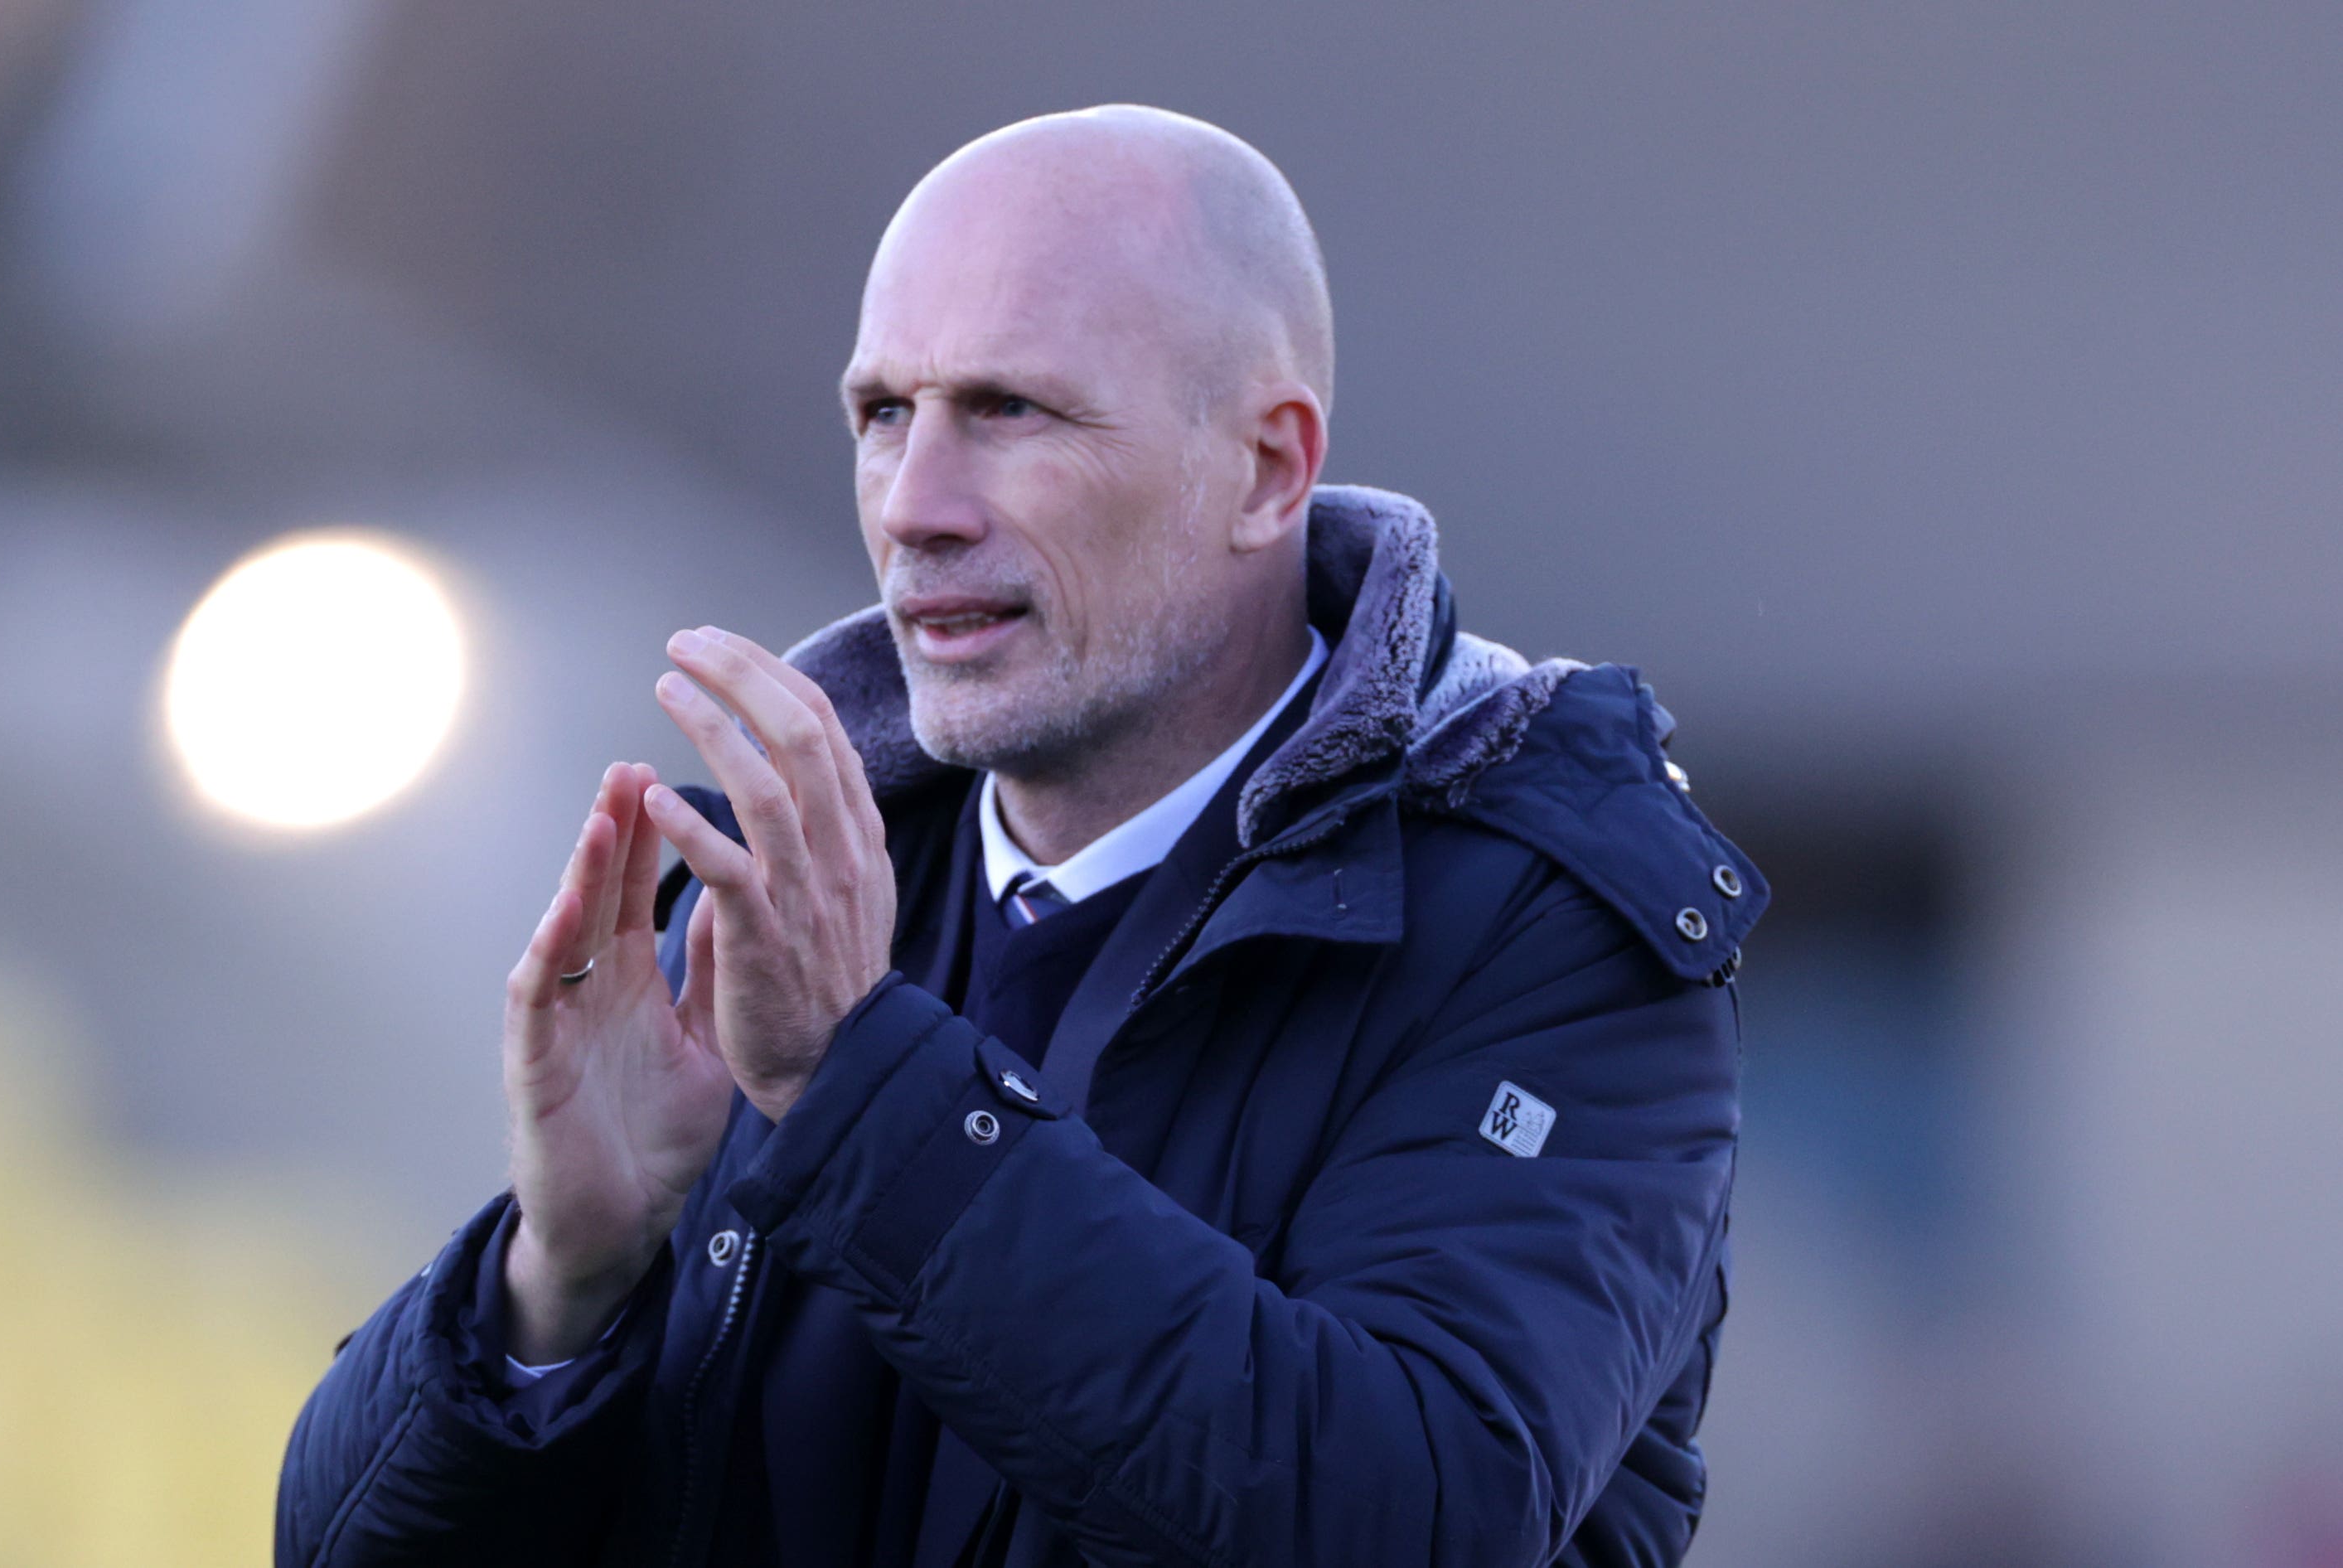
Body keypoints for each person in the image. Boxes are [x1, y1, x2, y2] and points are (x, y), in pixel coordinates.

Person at [275, 104, 1766, 1568]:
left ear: (1264, 468)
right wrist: (556, 1278)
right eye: (881, 416)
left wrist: (860, 1088)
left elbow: (1407, 1513)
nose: (913, 505)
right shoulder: (774, 907)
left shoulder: (1551, 935)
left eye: (1010, 411)